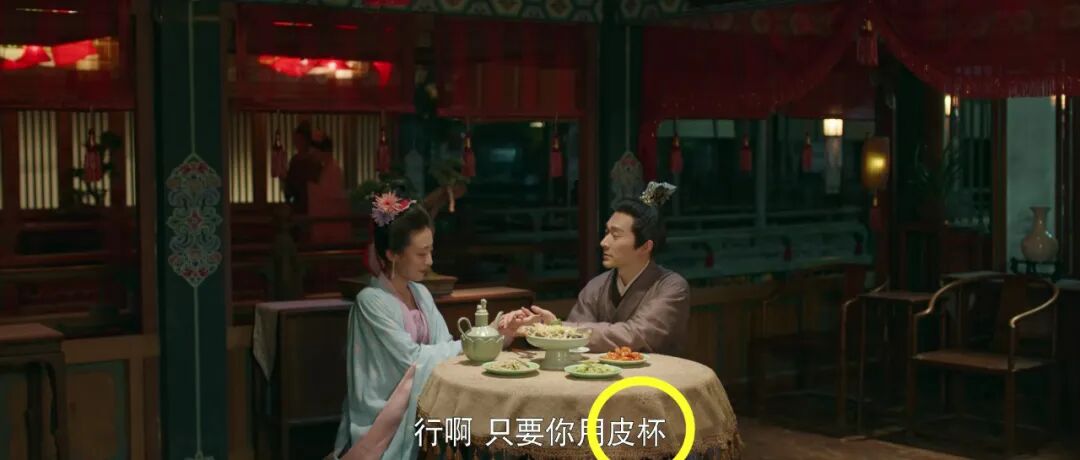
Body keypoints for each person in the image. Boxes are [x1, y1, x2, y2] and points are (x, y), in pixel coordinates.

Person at [331, 192, 528, 460]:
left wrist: (497, 336)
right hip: (388, 418)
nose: (430, 262)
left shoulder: (420, 293)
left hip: (425, 403)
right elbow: (413, 361)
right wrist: (478, 340)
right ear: (392, 254)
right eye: (421, 254)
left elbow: (444, 350)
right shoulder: (371, 302)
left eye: (431, 251)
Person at [501, 181, 690, 355]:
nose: (604, 242)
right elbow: (573, 340)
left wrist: (558, 328)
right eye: (606, 232)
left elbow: (635, 335)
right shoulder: (597, 286)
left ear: (645, 247)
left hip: (656, 377)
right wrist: (534, 328)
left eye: (615, 235)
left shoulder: (672, 287)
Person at [307, 132, 351, 243]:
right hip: (328, 223)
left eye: (315, 152)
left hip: (332, 224)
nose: (314, 156)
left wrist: (313, 190)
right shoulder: (326, 169)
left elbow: (332, 196)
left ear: (324, 151)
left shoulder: (334, 170)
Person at [284, 120, 322, 214]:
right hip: (297, 205)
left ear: (306, 140)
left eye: (300, 140)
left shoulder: (314, 161)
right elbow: (290, 186)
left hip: (313, 205)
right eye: (296, 140)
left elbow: (318, 185)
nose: (297, 143)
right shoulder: (295, 160)